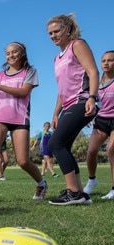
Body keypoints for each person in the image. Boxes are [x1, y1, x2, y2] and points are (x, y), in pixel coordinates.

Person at [0, 42, 47, 206]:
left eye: (14, 52)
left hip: (19, 119)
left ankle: (41, 183)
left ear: (22, 54)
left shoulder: (30, 72)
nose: (10, 56)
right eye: (8, 53)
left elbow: (24, 92)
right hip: (0, 118)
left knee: (23, 160)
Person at [46, 14, 99, 205]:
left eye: (57, 31)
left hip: (83, 99)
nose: (53, 35)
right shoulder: (56, 58)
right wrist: (55, 113)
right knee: (63, 146)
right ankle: (80, 193)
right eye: (50, 33)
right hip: (67, 104)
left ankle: (74, 192)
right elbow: (62, 89)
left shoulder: (77, 44)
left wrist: (92, 97)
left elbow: (93, 71)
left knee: (55, 144)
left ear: (68, 29)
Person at [83, 50, 114, 200]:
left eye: (110, 60)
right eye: (104, 61)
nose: (106, 63)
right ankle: (92, 180)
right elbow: (92, 101)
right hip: (101, 120)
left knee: (111, 150)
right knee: (91, 152)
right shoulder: (96, 82)